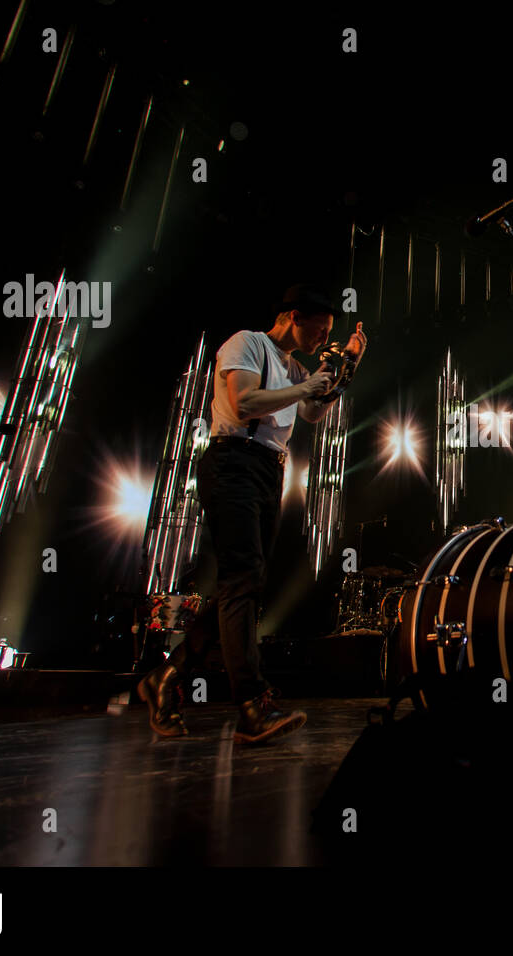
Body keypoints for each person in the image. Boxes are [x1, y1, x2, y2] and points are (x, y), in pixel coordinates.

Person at [138, 284, 367, 742]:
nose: (322, 341)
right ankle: (252, 704)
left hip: (268, 471)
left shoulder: (295, 366)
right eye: (319, 331)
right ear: (293, 317)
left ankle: (166, 677)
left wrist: (347, 369)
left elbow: (313, 414)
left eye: (328, 336)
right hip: (233, 461)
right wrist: (306, 385)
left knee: (245, 584)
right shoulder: (247, 343)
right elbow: (243, 404)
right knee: (243, 579)